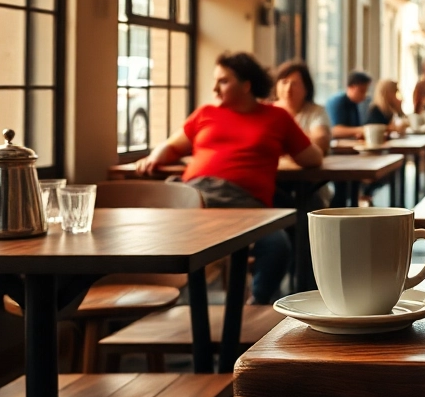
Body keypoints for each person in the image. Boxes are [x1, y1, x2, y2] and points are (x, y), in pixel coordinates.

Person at [136, 52, 322, 303]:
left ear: (246, 85)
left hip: (247, 206)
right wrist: (154, 158)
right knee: (155, 232)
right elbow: (171, 146)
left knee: (277, 245)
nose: (214, 87)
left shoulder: (277, 118)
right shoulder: (205, 114)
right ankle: (165, 304)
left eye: (223, 81)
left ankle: (255, 308)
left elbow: (312, 158)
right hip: (197, 196)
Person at [271, 60, 331, 155]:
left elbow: (321, 140)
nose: (288, 89)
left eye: (294, 84)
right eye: (284, 82)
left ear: (306, 89)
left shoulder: (316, 111)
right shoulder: (267, 110)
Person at [326, 71, 372, 140]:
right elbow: (335, 131)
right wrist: (363, 130)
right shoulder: (337, 101)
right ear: (351, 87)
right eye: (362, 91)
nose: (364, 96)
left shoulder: (355, 104)